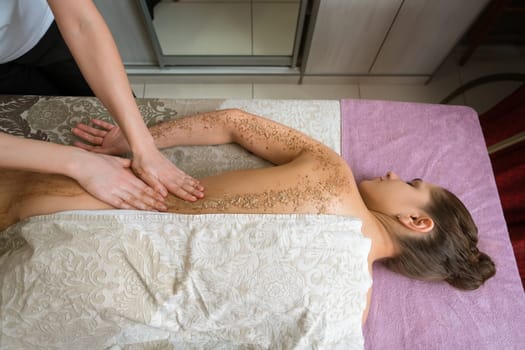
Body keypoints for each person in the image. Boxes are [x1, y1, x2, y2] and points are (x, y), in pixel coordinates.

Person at [0, 108, 496, 318]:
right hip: (73, 286)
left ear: (417, 221)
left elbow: (233, 123)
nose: (392, 174)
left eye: (411, 185)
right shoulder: (351, 307)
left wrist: (136, 140)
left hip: (73, 199)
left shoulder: (331, 173)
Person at [0, 0, 204, 207]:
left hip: (46, 28)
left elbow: (82, 22)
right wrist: (80, 163)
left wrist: (143, 146)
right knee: (42, 130)